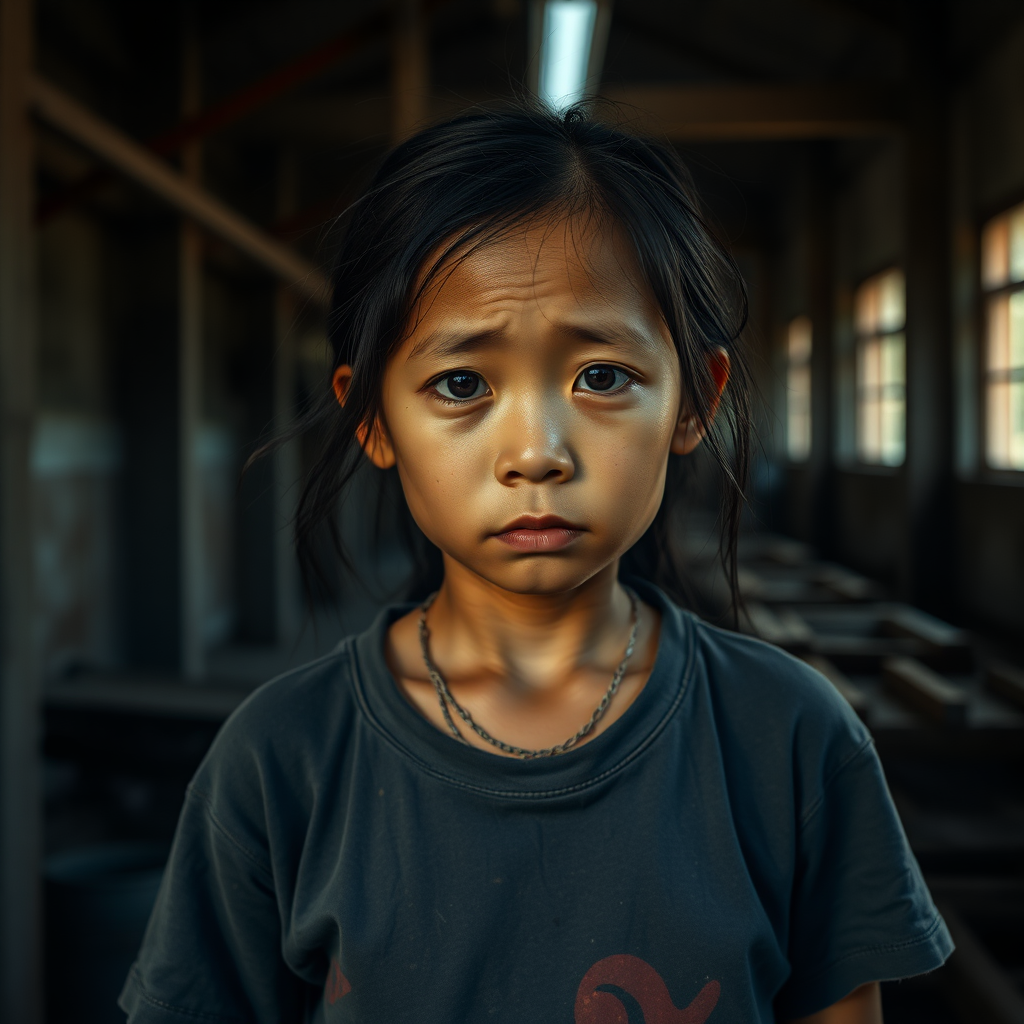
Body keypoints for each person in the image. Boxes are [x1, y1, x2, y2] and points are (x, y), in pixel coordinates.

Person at [119, 106, 951, 1024]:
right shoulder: (281, 761)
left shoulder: (790, 739)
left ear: (693, 400)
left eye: (601, 376)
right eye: (461, 384)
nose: (537, 453)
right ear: (372, 419)